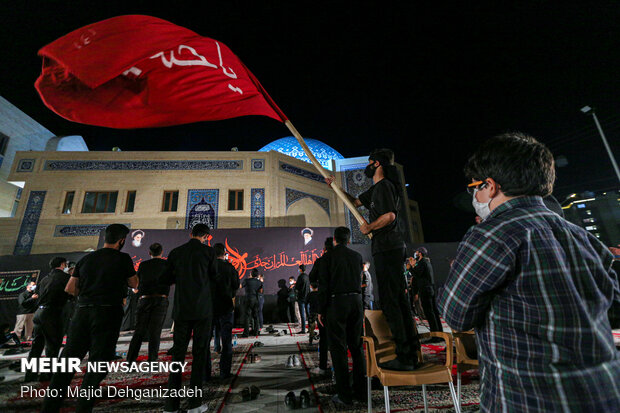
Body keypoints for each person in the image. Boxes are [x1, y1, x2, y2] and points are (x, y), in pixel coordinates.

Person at [438, 132, 620, 412]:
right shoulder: (583, 237)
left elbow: (456, 315)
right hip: (603, 391)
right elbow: (611, 307)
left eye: (474, 187)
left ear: (491, 185)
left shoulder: (491, 234)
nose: (474, 195)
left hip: (528, 395)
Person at [326, 148, 420, 371]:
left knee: (392, 301)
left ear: (377, 164)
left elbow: (389, 216)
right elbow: (355, 203)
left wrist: (368, 227)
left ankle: (406, 356)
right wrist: (335, 187)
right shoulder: (375, 190)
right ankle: (410, 353)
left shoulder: (385, 186)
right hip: (384, 248)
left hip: (389, 247)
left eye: (369, 163)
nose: (366, 167)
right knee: (394, 299)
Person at [42, 224, 138, 413]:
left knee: (67, 363)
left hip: (82, 313)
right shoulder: (123, 258)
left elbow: (70, 288)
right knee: (98, 364)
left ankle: (49, 408)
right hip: (108, 314)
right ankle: (83, 407)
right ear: (122, 241)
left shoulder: (86, 259)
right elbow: (134, 283)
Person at [159, 223, 215, 413]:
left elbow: (166, 279)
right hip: (202, 310)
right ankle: (195, 404)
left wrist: (182, 276)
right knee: (199, 354)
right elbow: (214, 277)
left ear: (191, 234)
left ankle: (171, 405)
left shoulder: (176, 252)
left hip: (182, 310)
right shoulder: (208, 253)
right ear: (207, 236)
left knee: (178, 356)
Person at [318, 227, 366, 406]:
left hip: (336, 304)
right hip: (356, 302)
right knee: (357, 347)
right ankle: (362, 392)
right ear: (348, 240)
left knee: (338, 350)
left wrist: (321, 311)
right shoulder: (357, 257)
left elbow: (324, 286)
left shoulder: (327, 258)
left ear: (335, 240)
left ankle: (345, 395)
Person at [25, 257, 71, 382]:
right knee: (52, 346)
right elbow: (72, 294)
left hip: (39, 313)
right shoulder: (65, 278)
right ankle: (47, 375)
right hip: (52, 314)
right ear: (62, 264)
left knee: (36, 346)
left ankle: (30, 375)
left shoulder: (44, 279)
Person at [126, 243, 170, 363]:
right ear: (161, 252)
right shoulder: (167, 265)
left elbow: (136, 283)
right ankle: (152, 361)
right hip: (160, 300)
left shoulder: (143, 265)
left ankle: (130, 361)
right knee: (155, 332)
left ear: (149, 253)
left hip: (144, 300)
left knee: (139, 332)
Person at [212, 242, 240, 378]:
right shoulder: (230, 268)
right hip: (226, 306)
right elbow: (236, 285)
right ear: (224, 253)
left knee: (205, 341)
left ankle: (205, 374)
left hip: (209, 307)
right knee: (227, 339)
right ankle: (224, 372)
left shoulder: (207, 267)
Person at [308, 237, 333, 374]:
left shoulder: (322, 261)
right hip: (346, 303)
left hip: (327, 304)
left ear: (324, 249)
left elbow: (312, 278)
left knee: (324, 337)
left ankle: (323, 367)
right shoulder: (349, 258)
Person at [410, 247, 442, 333]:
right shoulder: (427, 262)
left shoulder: (422, 262)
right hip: (430, 289)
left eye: (416, 252)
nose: (415, 254)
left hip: (425, 290)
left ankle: (435, 334)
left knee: (429, 313)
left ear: (419, 253)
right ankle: (439, 332)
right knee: (434, 312)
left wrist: (411, 267)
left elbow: (417, 274)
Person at [242, 269, 263, 337]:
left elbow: (240, 286)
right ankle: (256, 332)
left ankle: (246, 333)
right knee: (256, 316)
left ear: (251, 273)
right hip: (256, 300)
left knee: (247, 317)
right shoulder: (259, 282)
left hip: (248, 299)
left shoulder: (247, 281)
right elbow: (261, 291)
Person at [295, 264, 310, 334]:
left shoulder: (300, 277)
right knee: (308, 313)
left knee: (302, 314)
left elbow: (297, 287)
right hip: (307, 297)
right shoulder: (307, 276)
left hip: (301, 297)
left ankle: (303, 329)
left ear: (300, 269)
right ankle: (310, 328)